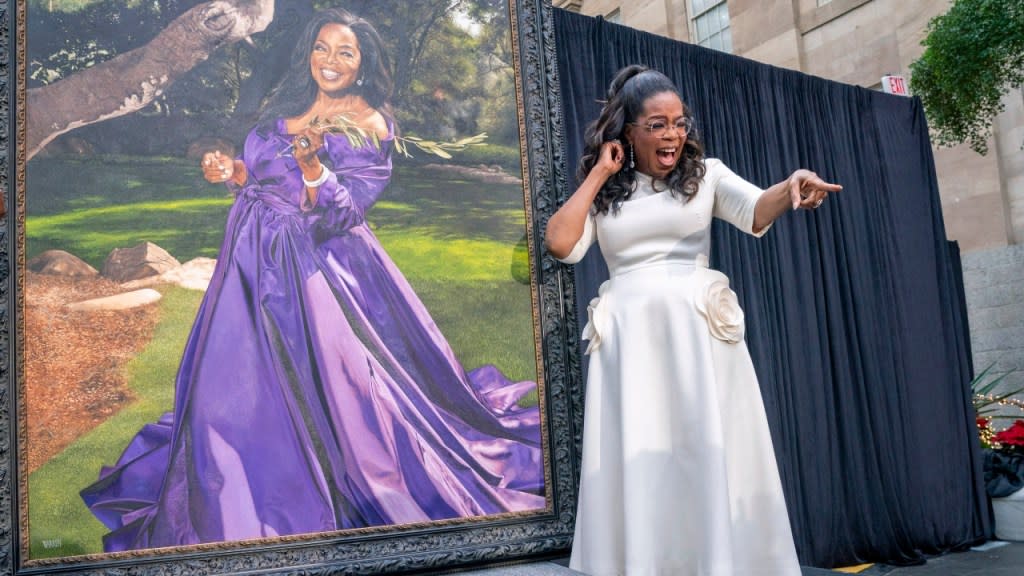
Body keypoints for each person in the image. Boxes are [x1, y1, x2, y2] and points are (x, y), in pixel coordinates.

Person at [81, 8, 544, 552]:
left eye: (345, 52)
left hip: (310, 268)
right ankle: (225, 482)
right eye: (322, 48)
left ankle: (299, 492)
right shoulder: (289, 104)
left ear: (364, 63)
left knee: (331, 388)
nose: (330, 61)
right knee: (228, 381)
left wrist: (314, 170)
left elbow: (344, 214)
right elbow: (255, 173)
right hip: (249, 256)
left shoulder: (371, 123)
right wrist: (228, 170)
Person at [545, 65, 841, 576]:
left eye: (679, 123)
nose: (673, 134)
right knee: (642, 458)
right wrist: (598, 173)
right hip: (632, 346)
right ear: (627, 131)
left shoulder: (706, 177)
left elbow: (756, 209)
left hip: (698, 340)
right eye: (657, 124)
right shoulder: (609, 193)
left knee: (703, 451)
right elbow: (561, 243)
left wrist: (791, 184)